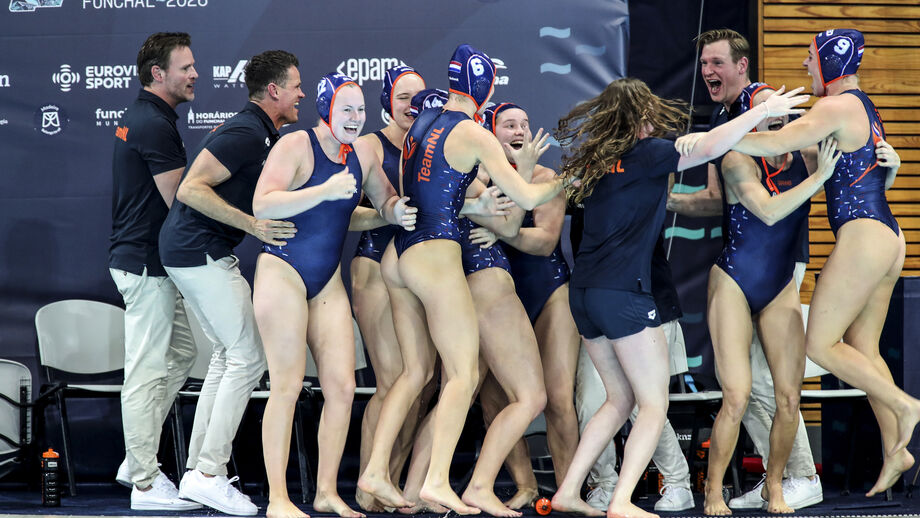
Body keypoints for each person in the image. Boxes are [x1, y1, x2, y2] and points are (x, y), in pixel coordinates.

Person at [548, 77, 806, 518]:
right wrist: (762, 113)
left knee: (619, 399)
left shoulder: (597, 160)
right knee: (652, 404)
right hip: (623, 293)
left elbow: (701, 146)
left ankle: (568, 491)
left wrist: (695, 142)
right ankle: (622, 501)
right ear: (640, 116)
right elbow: (710, 147)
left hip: (584, 293)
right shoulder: (647, 153)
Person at [678, 28, 915, 499]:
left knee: (820, 348)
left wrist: (712, 140)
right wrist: (895, 166)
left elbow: (774, 146)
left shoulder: (830, 110)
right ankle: (897, 450)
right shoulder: (859, 109)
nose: (805, 69)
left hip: (861, 236)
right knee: (861, 350)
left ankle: (904, 406)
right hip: (886, 233)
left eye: (810, 58)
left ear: (829, 60)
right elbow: (863, 171)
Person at [357, 43, 566, 516]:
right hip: (435, 253)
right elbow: (526, 196)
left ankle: (374, 472)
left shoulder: (423, 118)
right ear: (487, 89)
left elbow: (434, 188)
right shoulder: (473, 131)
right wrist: (570, 179)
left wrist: (475, 206)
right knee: (463, 374)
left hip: (400, 252)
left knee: (414, 376)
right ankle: (433, 481)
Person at [667, 29, 824, 511]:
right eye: (703, 64)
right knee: (743, 390)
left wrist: (886, 167)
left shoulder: (768, 106)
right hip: (739, 266)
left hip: (781, 266)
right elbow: (720, 200)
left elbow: (809, 163)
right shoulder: (725, 121)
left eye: (717, 62)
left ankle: (794, 478)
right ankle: (741, 485)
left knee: (779, 391)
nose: (708, 72)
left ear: (742, 64)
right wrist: (657, 202)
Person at [253, 72, 417, 518]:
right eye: (346, 109)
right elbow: (262, 203)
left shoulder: (361, 155)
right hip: (282, 271)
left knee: (343, 387)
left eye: (360, 110)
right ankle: (279, 500)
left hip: (325, 280)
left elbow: (379, 203)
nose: (355, 118)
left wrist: (396, 212)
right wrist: (323, 190)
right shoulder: (297, 145)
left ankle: (326, 491)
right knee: (286, 386)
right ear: (326, 109)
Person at [158, 50, 303, 516]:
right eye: (296, 85)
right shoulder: (246, 131)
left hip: (192, 250)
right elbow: (190, 188)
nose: (302, 93)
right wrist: (253, 225)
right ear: (274, 91)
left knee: (228, 354)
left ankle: (196, 475)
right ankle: (208, 474)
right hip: (197, 250)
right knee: (247, 355)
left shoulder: (262, 131)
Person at [696, 83, 842, 515]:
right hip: (734, 282)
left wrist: (890, 168)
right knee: (737, 396)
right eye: (764, 109)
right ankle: (713, 491)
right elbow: (770, 211)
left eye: (779, 110)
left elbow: (853, 175)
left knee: (788, 398)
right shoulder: (737, 158)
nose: (775, 115)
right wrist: (818, 179)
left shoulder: (808, 153)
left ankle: (774, 485)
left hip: (778, 283)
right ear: (750, 119)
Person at [108, 31, 201, 512]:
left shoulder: (151, 117)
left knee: (182, 352)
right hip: (145, 267)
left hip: (152, 266)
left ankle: (133, 456)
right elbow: (181, 203)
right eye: (185, 67)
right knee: (144, 373)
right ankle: (144, 482)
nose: (195, 74)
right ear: (157, 74)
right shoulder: (153, 123)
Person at [473, 102, 580, 508]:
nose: (519, 130)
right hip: (499, 297)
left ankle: (568, 488)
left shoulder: (545, 177)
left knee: (557, 397)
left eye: (525, 124)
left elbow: (547, 241)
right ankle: (526, 486)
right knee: (495, 399)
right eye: (509, 125)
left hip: (549, 291)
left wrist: (501, 231)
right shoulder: (476, 180)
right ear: (490, 133)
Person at [350, 66, 428, 513]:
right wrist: (389, 214)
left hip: (417, 271)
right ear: (387, 100)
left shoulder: (430, 144)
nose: (410, 105)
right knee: (391, 382)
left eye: (418, 96)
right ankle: (367, 485)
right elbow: (345, 214)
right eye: (402, 97)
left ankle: (390, 482)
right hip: (375, 266)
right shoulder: (369, 146)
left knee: (418, 382)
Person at [572, 235, 696, 514]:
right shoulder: (579, 191)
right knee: (591, 401)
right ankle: (604, 483)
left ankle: (678, 483)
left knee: (646, 405)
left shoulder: (641, 190)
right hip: (598, 301)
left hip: (645, 298)